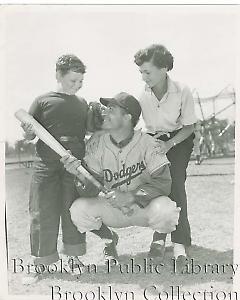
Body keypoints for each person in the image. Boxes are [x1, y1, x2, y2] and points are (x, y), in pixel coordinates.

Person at [61, 92, 180, 264]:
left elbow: (163, 183)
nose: (105, 113)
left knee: (167, 209)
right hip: (113, 207)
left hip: (143, 208)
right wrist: (79, 174)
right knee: (78, 210)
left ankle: (158, 240)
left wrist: (131, 196)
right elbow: (90, 190)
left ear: (127, 117)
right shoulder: (97, 146)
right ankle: (109, 240)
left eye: (112, 110)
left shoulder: (148, 143)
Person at [21, 54, 95, 284]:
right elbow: (29, 134)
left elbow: (90, 133)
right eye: (73, 81)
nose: (77, 85)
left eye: (80, 81)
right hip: (46, 164)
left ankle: (74, 259)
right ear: (58, 76)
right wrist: (28, 130)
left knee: (72, 210)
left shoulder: (82, 104)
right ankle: (41, 264)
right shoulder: (43, 101)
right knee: (42, 212)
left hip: (73, 164)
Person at [134, 44, 197, 265]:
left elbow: (189, 127)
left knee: (176, 183)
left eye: (147, 72)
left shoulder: (182, 90)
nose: (143, 77)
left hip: (180, 139)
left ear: (164, 69)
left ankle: (179, 243)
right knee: (159, 185)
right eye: (140, 72)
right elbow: (138, 125)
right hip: (154, 140)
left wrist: (170, 144)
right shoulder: (142, 95)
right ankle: (160, 236)